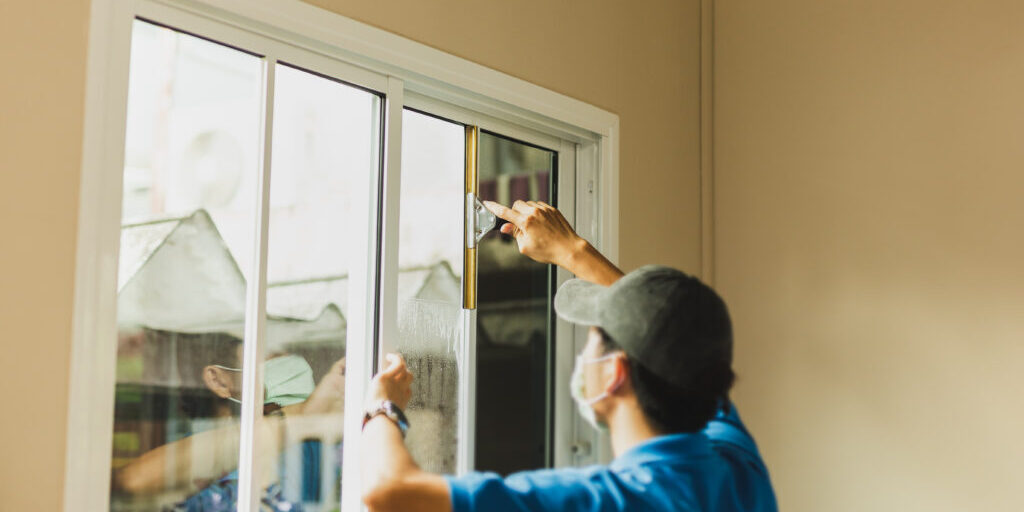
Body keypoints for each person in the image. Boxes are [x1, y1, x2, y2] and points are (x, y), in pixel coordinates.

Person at [359, 200, 778, 512]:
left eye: (593, 337)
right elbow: (675, 340)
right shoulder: (739, 472)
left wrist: (384, 408)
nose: (583, 352)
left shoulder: (600, 501)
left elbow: (389, 493)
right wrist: (570, 251)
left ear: (615, 373)